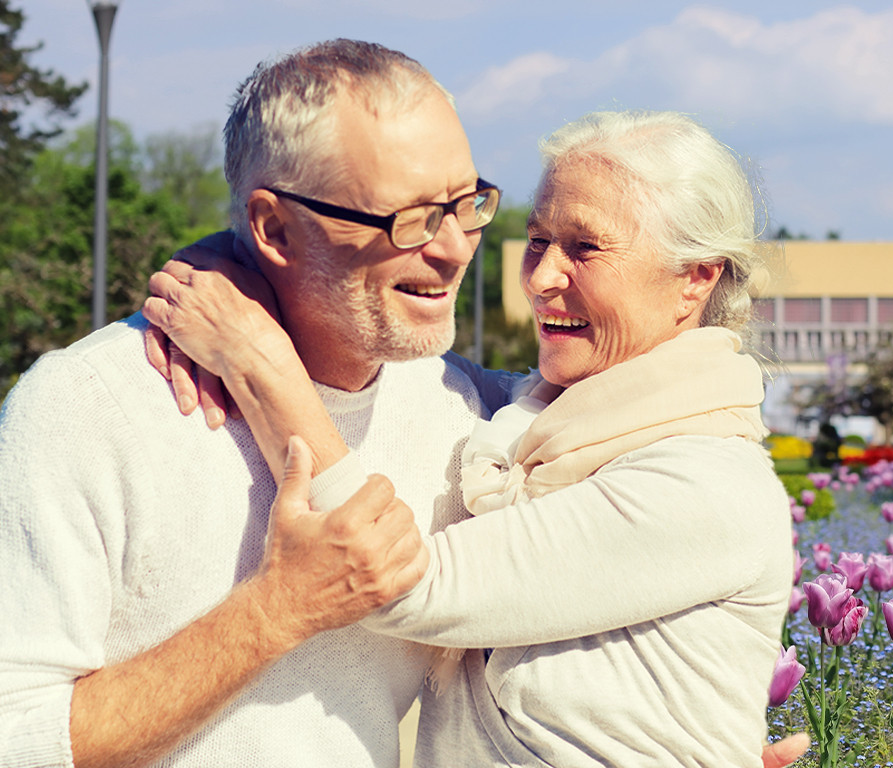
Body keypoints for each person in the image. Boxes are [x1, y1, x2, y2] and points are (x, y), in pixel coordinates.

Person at [0, 39, 806, 768]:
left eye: (466, 205)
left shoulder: (464, 411)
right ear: (273, 229)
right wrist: (274, 612)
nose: (457, 248)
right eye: (410, 218)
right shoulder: (93, 409)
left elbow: (432, 586)